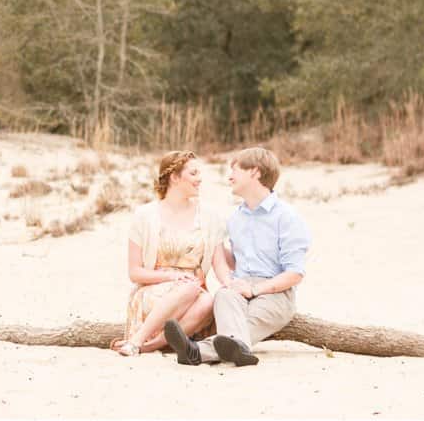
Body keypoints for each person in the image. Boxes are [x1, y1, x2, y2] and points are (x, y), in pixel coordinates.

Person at [163, 147, 311, 367]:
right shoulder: (236, 219)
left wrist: (255, 290)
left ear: (255, 172)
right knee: (224, 295)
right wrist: (212, 243)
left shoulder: (287, 217)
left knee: (241, 326)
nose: (229, 176)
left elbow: (294, 274)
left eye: (235, 170)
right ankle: (238, 351)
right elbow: (236, 260)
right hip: (240, 288)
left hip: (275, 292)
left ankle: (197, 351)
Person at [113, 150, 225, 356]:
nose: (199, 179)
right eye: (193, 173)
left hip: (194, 296)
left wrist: (233, 286)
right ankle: (137, 338)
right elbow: (135, 272)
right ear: (174, 177)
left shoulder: (210, 217)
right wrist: (171, 276)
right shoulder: (144, 216)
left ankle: (148, 346)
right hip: (154, 291)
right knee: (190, 287)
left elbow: (220, 265)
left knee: (208, 300)